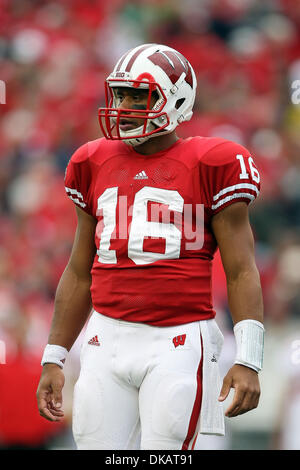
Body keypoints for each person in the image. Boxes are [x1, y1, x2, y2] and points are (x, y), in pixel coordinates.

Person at [36, 43, 264, 450]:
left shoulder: (215, 161)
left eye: (137, 95)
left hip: (177, 339)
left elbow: (242, 268)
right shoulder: (92, 160)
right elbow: (78, 270)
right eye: (120, 94)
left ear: (176, 98)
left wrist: (248, 357)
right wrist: (54, 354)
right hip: (104, 337)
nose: (123, 106)